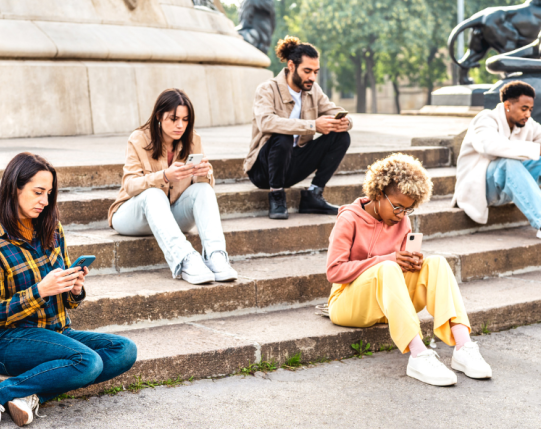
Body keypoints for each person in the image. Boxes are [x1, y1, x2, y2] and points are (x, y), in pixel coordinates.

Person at [0, 153, 137, 429]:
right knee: (88, 362)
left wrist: (74, 289)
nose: (45, 200)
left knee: (124, 350)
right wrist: (40, 291)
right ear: (14, 189)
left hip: (56, 333)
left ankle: (29, 393)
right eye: (38, 192)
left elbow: (66, 301)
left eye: (49, 193)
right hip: (7, 341)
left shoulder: (52, 229)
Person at [326, 153, 492, 386]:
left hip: (388, 303)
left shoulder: (401, 220)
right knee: (387, 267)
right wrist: (389, 259)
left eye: (408, 209)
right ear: (377, 193)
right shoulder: (349, 219)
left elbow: (398, 269)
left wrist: (411, 263)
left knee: (437, 264)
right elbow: (334, 271)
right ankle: (418, 355)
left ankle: (463, 347)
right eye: (397, 207)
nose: (402, 215)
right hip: (347, 303)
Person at [108, 88, 237, 285]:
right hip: (131, 216)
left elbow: (202, 188)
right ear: (159, 116)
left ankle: (216, 256)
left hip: (170, 215)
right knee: (153, 194)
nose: (180, 125)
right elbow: (130, 185)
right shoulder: (139, 139)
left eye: (185, 120)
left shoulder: (193, 139)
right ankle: (186, 259)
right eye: (174, 118)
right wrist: (164, 176)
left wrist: (204, 174)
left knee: (203, 190)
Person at [244, 36, 352, 220]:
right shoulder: (267, 89)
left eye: (316, 72)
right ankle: (277, 196)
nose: (312, 77)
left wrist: (344, 122)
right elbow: (266, 122)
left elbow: (338, 111)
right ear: (292, 66)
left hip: (293, 164)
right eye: (307, 71)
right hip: (263, 170)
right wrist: (313, 126)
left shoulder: (313, 90)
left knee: (342, 137)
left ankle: (313, 195)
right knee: (283, 136)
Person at [453, 81, 541, 237]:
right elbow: (490, 148)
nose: (528, 114)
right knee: (508, 163)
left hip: (511, 187)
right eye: (524, 109)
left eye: (530, 110)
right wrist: (535, 149)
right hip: (481, 188)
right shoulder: (485, 119)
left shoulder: (528, 124)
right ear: (507, 105)